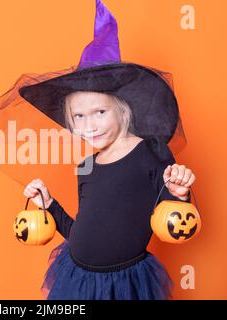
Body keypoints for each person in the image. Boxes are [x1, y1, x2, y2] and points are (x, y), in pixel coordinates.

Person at [23, 90, 196, 300]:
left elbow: (175, 221)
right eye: (79, 116)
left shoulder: (150, 152)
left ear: (123, 110)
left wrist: (179, 195)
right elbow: (79, 231)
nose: (89, 126)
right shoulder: (85, 167)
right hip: (76, 278)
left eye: (100, 112)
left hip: (123, 284)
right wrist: (49, 203)